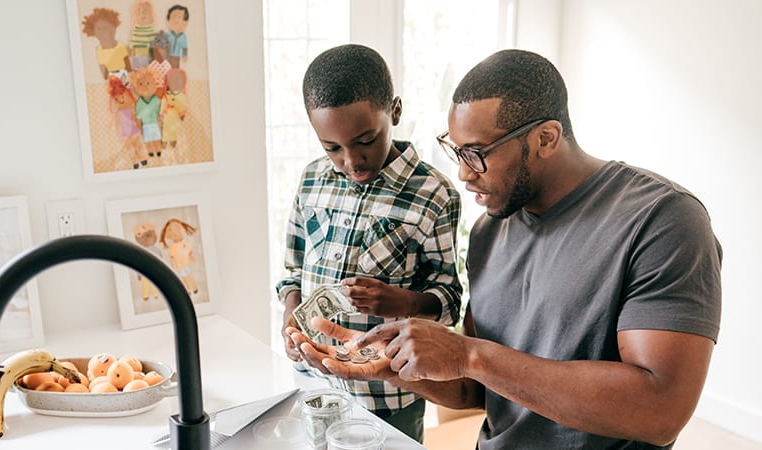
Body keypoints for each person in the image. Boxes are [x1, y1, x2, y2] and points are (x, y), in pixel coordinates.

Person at [289, 49, 722, 449]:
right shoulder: (488, 233)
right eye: (456, 151)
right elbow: (476, 386)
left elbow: (660, 411)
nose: (462, 173)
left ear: (546, 138)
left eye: (476, 154)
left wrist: (468, 353)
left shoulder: (662, 220)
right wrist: (392, 364)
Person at [276, 44, 463, 443]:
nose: (352, 160)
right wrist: (292, 315)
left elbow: (448, 299)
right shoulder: (312, 181)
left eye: (365, 140)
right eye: (332, 148)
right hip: (314, 382)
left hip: (389, 394)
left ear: (394, 111)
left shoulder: (434, 194)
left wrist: (401, 303)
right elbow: (292, 270)